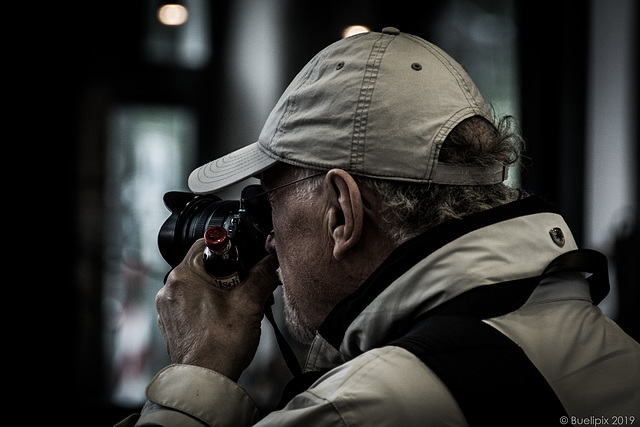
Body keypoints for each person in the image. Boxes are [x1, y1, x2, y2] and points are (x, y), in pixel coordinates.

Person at [118, 28, 640, 426]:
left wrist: (198, 369)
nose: (268, 236)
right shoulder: (621, 359)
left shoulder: (352, 410)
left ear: (342, 211)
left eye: (268, 199)